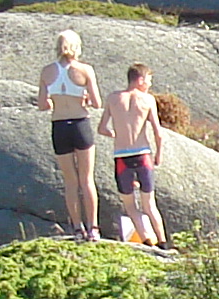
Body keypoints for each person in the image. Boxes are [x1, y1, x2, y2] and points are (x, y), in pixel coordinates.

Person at [36, 30, 103, 240]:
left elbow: (42, 105)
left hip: (59, 126)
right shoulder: (85, 70)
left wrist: (55, 100)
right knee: (87, 179)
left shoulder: (47, 72)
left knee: (70, 181)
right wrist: (83, 99)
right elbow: (96, 102)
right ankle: (93, 228)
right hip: (80, 124)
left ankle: (77, 227)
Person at [103, 62, 167, 249]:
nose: (150, 84)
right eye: (149, 80)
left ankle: (147, 240)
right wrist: (158, 156)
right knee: (149, 204)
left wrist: (115, 134)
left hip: (122, 157)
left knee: (130, 205)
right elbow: (159, 133)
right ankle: (162, 242)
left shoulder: (113, 98)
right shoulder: (147, 100)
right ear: (140, 80)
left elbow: (102, 128)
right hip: (143, 155)